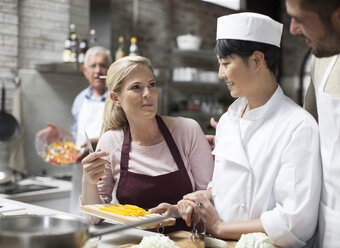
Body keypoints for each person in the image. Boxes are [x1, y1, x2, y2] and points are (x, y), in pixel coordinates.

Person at [152, 12, 322, 247]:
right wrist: (200, 201)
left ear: (256, 60)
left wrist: (220, 227)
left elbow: (295, 222)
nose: (221, 74)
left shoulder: (298, 127)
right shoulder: (229, 119)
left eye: (226, 63)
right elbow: (226, 188)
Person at [81, 55, 214, 232]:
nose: (148, 94)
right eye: (136, 87)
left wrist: (177, 211)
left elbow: (213, 197)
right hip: (134, 243)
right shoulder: (110, 142)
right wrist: (88, 180)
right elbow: (94, 217)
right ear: (116, 98)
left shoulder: (188, 130)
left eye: (152, 84)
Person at [285, 0, 340, 246]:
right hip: (332, 226)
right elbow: (305, 135)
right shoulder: (323, 60)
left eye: (301, 19)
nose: (293, 29)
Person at [37, 46, 112, 215]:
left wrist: (98, 143)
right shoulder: (79, 100)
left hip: (108, 173)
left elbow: (125, 136)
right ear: (85, 71)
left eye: (103, 65)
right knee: (79, 222)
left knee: (104, 221)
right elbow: (78, 136)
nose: (98, 70)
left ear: (110, 68)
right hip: (80, 173)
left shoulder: (117, 98)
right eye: (93, 66)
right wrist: (61, 134)